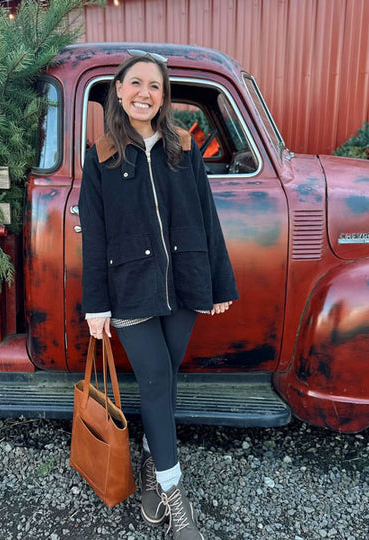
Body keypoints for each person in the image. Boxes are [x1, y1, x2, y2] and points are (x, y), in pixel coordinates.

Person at [79, 49, 239, 540]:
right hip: (129, 290)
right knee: (153, 381)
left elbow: (205, 218)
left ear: (163, 97)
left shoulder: (184, 148)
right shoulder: (102, 155)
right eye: (135, 84)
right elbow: (96, 234)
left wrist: (219, 282)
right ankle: (174, 491)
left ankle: (152, 468)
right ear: (119, 92)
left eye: (155, 86)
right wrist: (96, 305)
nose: (144, 93)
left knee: (164, 382)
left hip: (185, 283)